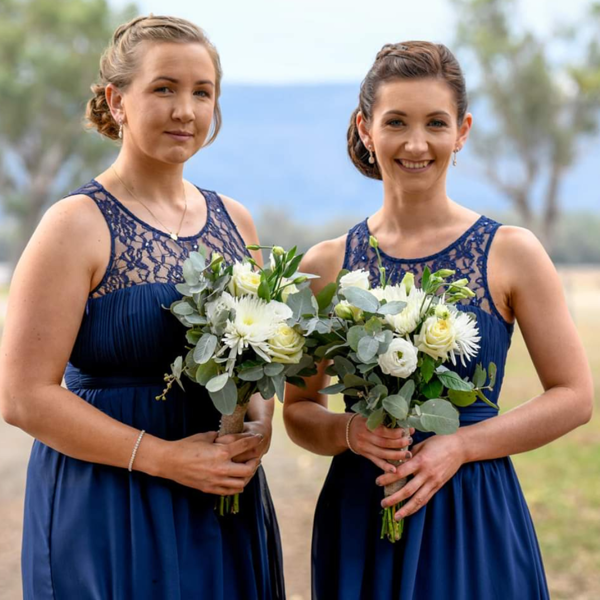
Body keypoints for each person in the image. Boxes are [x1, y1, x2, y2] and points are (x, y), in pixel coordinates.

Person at [283, 41, 593, 600]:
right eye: (396, 122)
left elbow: (573, 396)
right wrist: (352, 432)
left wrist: (462, 446)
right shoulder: (326, 264)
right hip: (362, 507)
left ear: (463, 131)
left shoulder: (511, 252)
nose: (416, 143)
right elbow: (300, 411)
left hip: (473, 508)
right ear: (365, 127)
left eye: (436, 123)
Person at [0, 15, 284, 600]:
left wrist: (258, 422)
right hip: (106, 502)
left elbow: (255, 365)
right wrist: (161, 459)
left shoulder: (237, 221)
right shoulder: (73, 225)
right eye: (164, 88)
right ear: (117, 100)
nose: (186, 110)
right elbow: (22, 396)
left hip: (220, 504)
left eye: (202, 92)